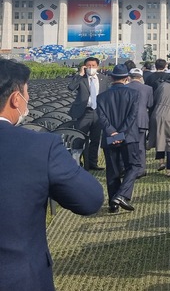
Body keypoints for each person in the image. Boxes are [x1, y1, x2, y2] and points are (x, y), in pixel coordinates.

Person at [0, 59, 104, 290]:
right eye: (26, 93)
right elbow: (90, 200)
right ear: (16, 99)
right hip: (17, 278)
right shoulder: (39, 146)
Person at [96, 64, 143, 213]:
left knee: (113, 170)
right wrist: (121, 134)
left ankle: (113, 204)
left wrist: (113, 133)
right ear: (126, 78)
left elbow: (102, 118)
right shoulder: (134, 94)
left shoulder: (101, 97)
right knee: (134, 166)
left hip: (110, 136)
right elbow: (132, 117)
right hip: (129, 136)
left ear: (111, 78)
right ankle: (121, 195)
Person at [68, 56, 109, 170]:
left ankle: (92, 163)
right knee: (79, 138)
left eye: (93, 66)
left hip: (98, 112)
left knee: (95, 139)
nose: (91, 68)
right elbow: (71, 87)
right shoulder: (81, 78)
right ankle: (77, 163)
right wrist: (80, 74)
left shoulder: (103, 79)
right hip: (83, 112)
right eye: (89, 66)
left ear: (97, 67)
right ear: (85, 67)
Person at [126, 67, 154, 176]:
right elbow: (150, 104)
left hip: (128, 120)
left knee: (127, 144)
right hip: (142, 119)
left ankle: (129, 167)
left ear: (130, 77)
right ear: (141, 77)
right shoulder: (148, 89)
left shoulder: (125, 87)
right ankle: (141, 169)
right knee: (141, 146)